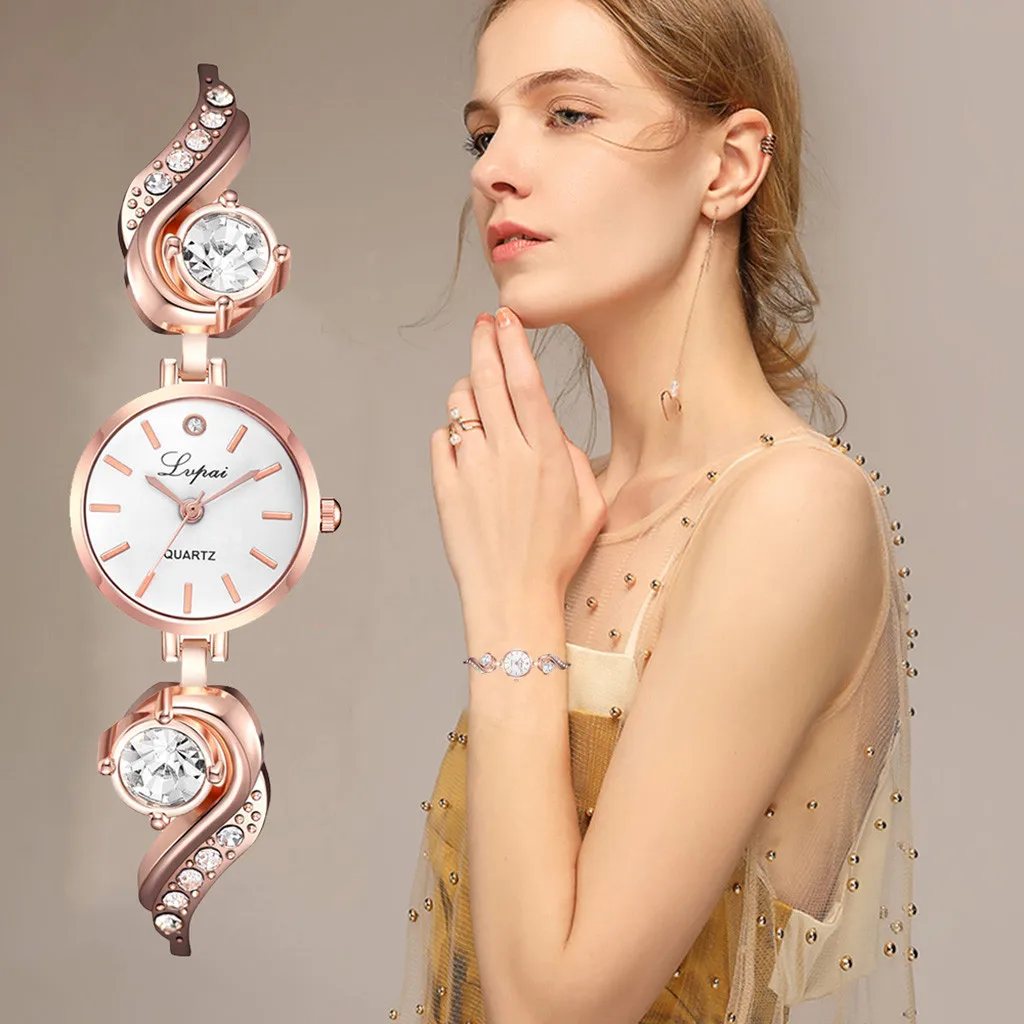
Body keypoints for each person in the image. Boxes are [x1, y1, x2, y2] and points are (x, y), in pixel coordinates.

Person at [389, 1, 919, 1021]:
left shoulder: (792, 508)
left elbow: (554, 1009)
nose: (495, 168)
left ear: (729, 166)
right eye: (483, 131)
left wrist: (509, 606)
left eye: (568, 114)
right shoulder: (565, 510)